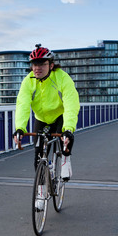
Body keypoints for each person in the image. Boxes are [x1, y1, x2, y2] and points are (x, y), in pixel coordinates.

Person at [13, 44, 80, 181]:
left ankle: (65, 160)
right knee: (38, 155)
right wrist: (20, 128)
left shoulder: (62, 78)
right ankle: (41, 191)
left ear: (51, 65)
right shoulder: (28, 81)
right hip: (41, 118)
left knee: (65, 140)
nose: (37, 68)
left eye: (42, 64)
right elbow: (22, 105)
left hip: (59, 115)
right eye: (34, 64)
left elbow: (71, 104)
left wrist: (68, 129)